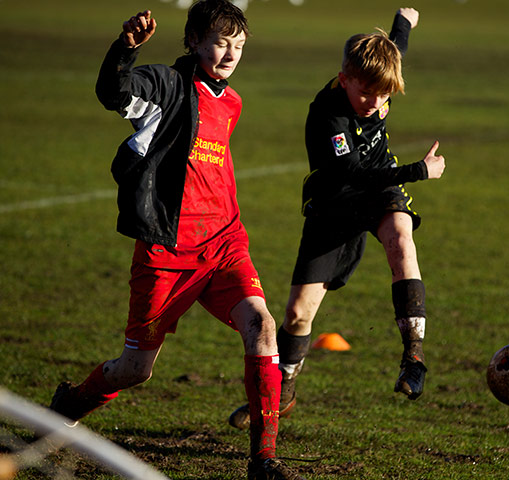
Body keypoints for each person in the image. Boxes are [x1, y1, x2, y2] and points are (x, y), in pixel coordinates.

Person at [48, 3, 305, 479]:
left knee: (263, 327)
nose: (230, 54)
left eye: (240, 46)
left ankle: (264, 459)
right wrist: (125, 49)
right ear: (192, 41)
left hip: (225, 243)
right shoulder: (166, 85)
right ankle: (72, 401)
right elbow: (114, 92)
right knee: (135, 369)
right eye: (221, 42)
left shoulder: (233, 102)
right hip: (167, 251)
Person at [229, 7, 445, 429]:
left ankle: (413, 356)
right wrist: (419, 171)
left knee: (401, 235)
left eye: (385, 95)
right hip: (338, 198)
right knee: (296, 315)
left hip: (381, 186)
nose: (376, 103)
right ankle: (284, 392)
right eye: (367, 93)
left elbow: (393, 53)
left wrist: (404, 22)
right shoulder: (328, 113)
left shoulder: (375, 79)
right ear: (344, 78)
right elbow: (350, 174)